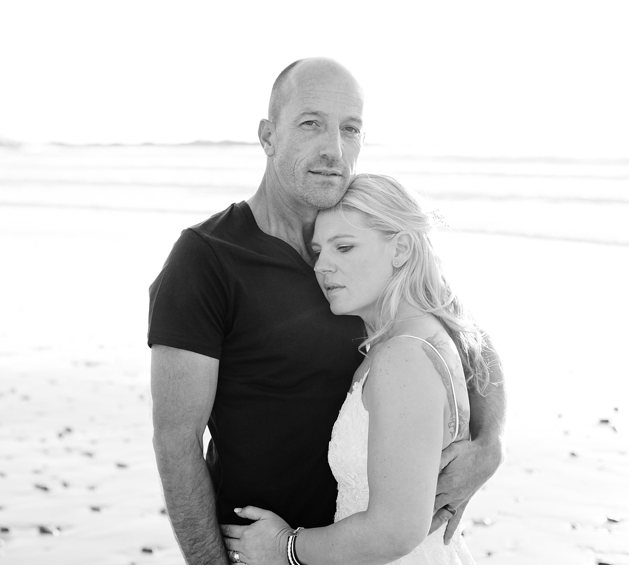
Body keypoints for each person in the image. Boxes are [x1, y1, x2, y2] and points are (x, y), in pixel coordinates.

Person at [148, 58, 506, 564]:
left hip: (364, 544)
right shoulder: (206, 260)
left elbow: (466, 335)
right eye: (311, 123)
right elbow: (175, 443)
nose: (334, 149)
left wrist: (490, 445)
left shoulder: (364, 238)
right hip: (261, 547)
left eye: (350, 128)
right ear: (268, 136)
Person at [221, 173, 487, 564]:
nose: (321, 266)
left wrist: (285, 547)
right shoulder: (422, 336)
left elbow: (396, 529)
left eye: (343, 248)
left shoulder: (403, 358)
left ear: (401, 249)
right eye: (318, 251)